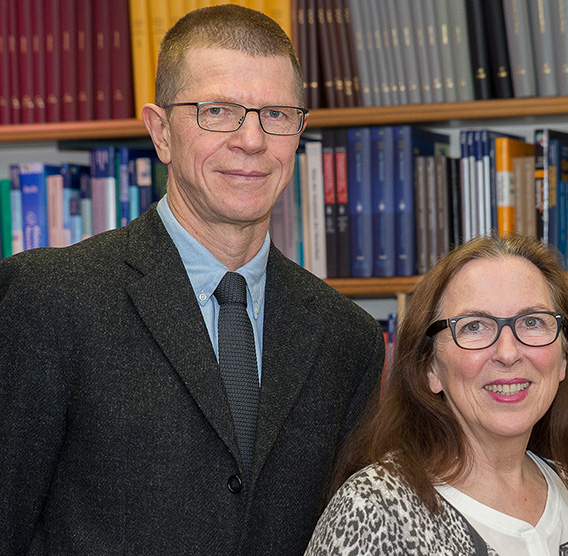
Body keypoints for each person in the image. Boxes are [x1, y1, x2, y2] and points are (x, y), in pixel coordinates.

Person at [0, 6, 383, 555]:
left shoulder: (347, 337)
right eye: (218, 111)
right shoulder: (51, 298)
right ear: (160, 132)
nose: (252, 140)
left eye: (276, 113)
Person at [305, 235, 568, 556]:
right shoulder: (374, 511)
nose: (508, 353)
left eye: (531, 322)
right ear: (430, 368)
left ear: (564, 359)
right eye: (474, 326)